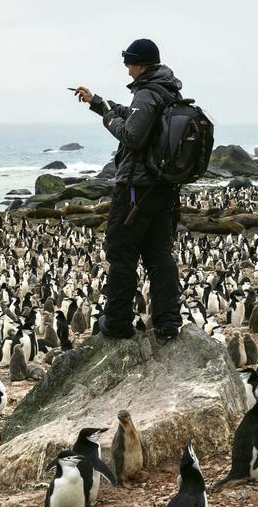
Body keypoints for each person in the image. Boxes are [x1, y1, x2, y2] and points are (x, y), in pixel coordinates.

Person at [73, 38, 182, 340]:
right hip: (162, 188)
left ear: (139, 64)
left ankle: (118, 323)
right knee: (159, 255)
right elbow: (136, 117)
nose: (126, 68)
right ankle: (168, 322)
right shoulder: (167, 90)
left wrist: (108, 118)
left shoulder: (147, 94)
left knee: (121, 253)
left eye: (128, 63)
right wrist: (98, 102)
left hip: (136, 188)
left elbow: (132, 135)